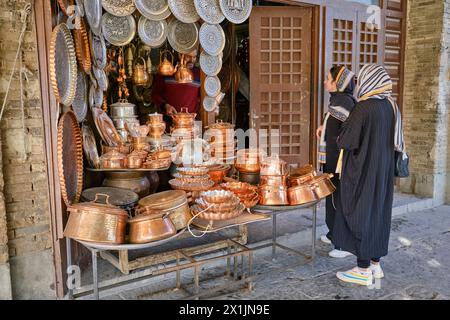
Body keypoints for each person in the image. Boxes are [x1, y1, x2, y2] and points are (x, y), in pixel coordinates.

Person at [333, 64, 404, 286]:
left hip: (362, 171)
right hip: (381, 172)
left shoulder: (364, 108)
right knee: (378, 214)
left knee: (359, 213)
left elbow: (346, 140)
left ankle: (362, 269)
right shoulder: (391, 106)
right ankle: (375, 264)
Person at [316, 66, 356, 258]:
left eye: (328, 79)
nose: (325, 82)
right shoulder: (338, 102)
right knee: (331, 196)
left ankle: (343, 244)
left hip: (340, 162)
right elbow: (336, 126)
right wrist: (324, 128)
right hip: (331, 160)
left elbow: (349, 133)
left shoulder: (345, 103)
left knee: (339, 199)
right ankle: (333, 233)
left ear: (338, 84)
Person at [151, 48, 201, 127]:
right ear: (180, 55)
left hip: (191, 123)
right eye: (188, 56)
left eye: (194, 57)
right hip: (169, 122)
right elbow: (155, 94)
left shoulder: (199, 74)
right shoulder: (167, 71)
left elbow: (201, 98)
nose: (192, 60)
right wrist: (166, 106)